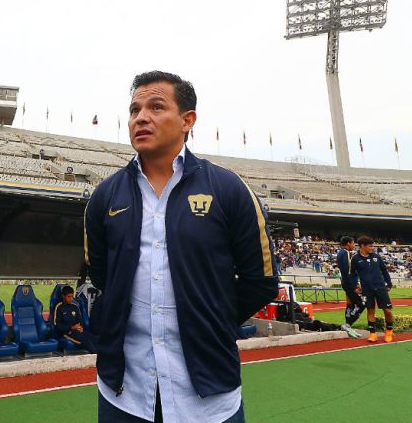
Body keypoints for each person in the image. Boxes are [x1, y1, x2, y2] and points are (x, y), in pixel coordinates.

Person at [84, 70, 278, 423]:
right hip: (124, 393)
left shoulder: (228, 189)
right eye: (134, 110)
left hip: (208, 399)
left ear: (188, 120)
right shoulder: (104, 196)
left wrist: (209, 317)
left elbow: (261, 280)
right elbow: (101, 275)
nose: (141, 117)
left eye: (156, 107)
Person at [349, 236, 394, 343]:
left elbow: (384, 271)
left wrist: (389, 283)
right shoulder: (355, 259)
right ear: (362, 246)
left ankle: (389, 331)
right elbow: (353, 274)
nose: (372, 248)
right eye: (370, 246)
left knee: (387, 311)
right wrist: (355, 285)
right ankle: (373, 334)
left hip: (380, 287)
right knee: (370, 310)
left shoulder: (376, 257)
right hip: (366, 289)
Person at [52, 285, 96, 353]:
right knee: (87, 342)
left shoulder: (74, 307)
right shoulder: (59, 307)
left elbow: (80, 320)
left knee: (95, 338)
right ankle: (97, 357)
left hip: (78, 331)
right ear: (63, 296)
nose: (71, 299)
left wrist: (81, 327)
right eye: (69, 296)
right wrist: (71, 327)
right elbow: (57, 325)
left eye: (72, 296)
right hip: (67, 333)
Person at [336, 236, 363, 338]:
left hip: (345, 282)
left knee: (350, 303)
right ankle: (348, 325)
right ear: (348, 243)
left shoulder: (340, 253)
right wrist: (355, 285)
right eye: (353, 243)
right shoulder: (346, 253)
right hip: (350, 283)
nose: (354, 245)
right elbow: (349, 271)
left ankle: (348, 326)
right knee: (361, 303)